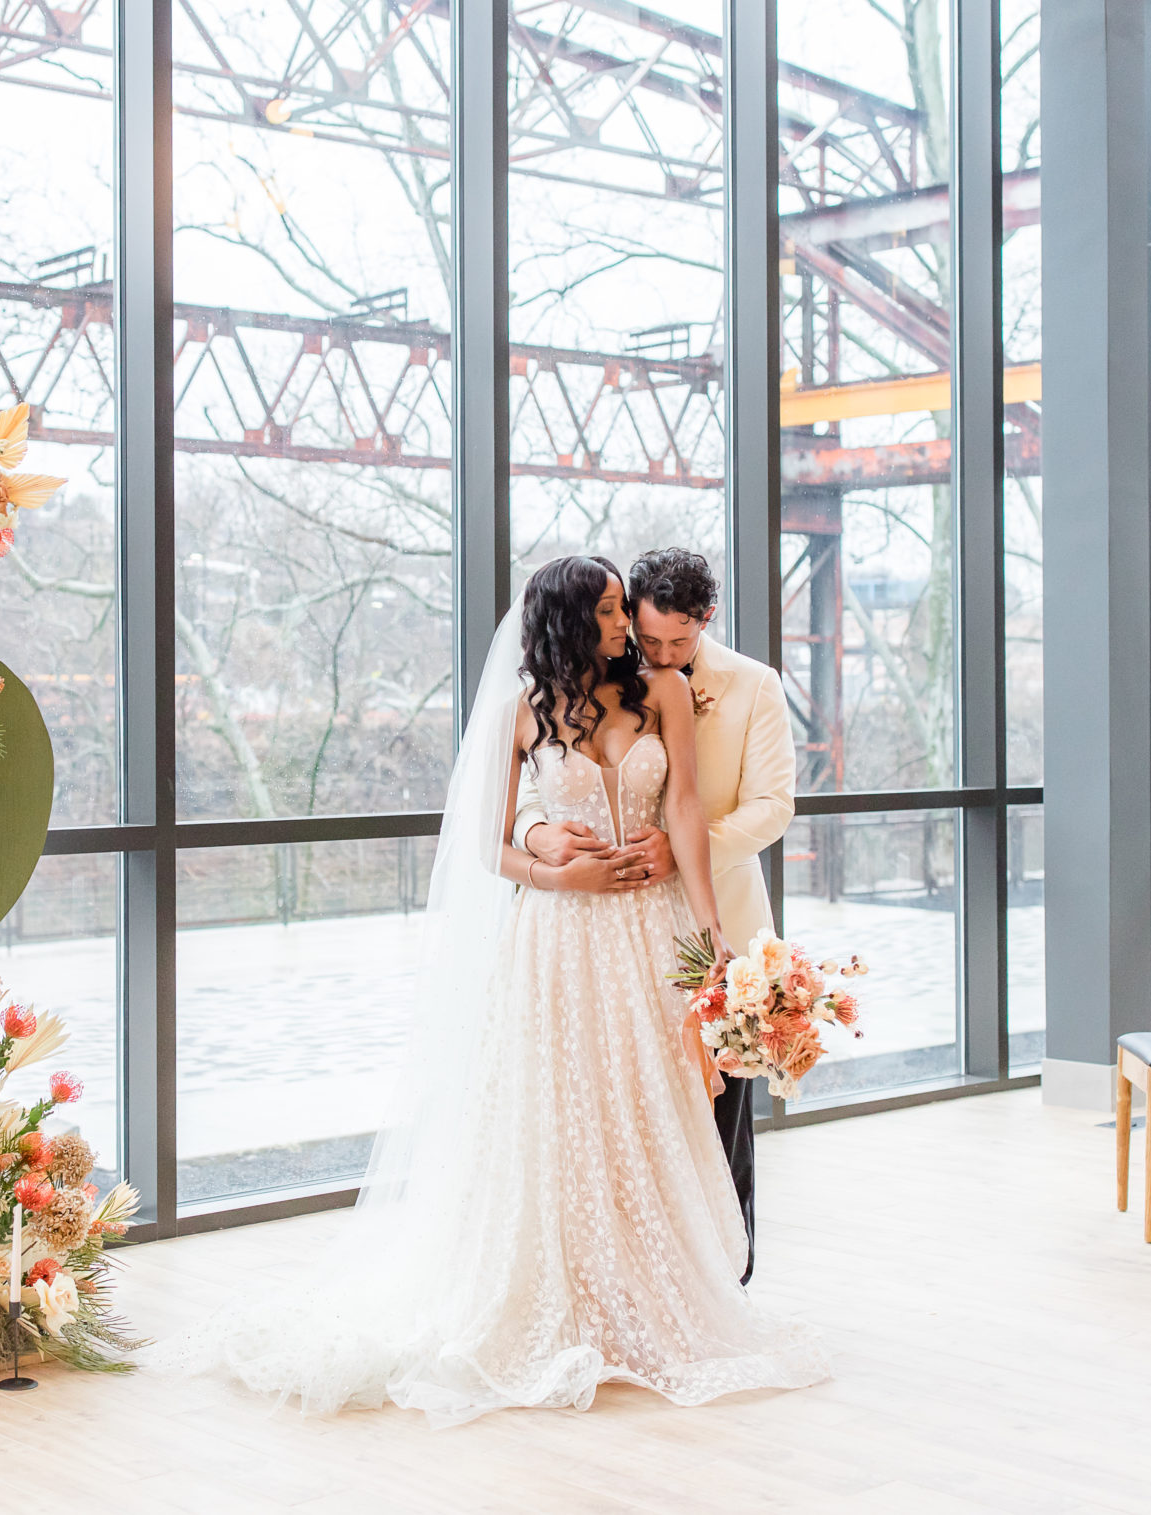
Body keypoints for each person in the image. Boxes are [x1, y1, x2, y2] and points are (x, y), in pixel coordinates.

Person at [167, 556, 825, 1426]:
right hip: (558, 940)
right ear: (566, 621)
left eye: (626, 608)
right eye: (610, 611)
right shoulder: (523, 713)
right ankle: (563, 1295)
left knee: (650, 1108)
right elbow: (490, 849)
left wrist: (709, 945)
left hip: (651, 929)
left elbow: (691, 822)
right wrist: (557, 873)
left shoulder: (663, 692)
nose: (626, 623)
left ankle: (653, 1295)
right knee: (561, 1115)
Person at [513, 547, 795, 1280]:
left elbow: (770, 806)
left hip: (707, 914)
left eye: (677, 641)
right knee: (609, 1110)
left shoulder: (752, 686)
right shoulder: (589, 685)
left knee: (719, 1111)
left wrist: (682, 859)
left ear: (707, 619)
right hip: (583, 931)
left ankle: (725, 1281)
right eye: (645, 633)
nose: (659, 651)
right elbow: (517, 801)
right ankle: (620, 1274)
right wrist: (543, 845)